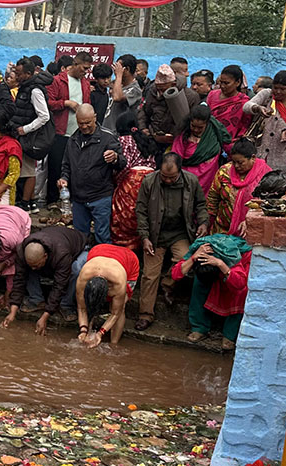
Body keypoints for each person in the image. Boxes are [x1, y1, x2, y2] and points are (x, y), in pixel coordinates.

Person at [135, 152, 209, 331]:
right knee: (149, 274)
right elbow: (141, 211)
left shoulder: (191, 181)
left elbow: (201, 205)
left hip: (179, 233)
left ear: (180, 171)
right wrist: (144, 237)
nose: (168, 180)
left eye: (172, 177)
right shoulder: (149, 182)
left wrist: (204, 223)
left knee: (185, 260)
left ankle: (168, 284)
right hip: (155, 234)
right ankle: (145, 314)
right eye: (164, 177)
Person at [171, 234, 252, 350]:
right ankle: (199, 327)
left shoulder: (232, 256)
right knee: (199, 284)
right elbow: (175, 274)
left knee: (241, 292)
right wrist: (193, 258)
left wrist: (221, 264)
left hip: (232, 268)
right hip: (210, 268)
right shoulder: (199, 248)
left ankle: (229, 335)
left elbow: (240, 283)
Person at [59, 104, 125, 244]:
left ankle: (103, 261)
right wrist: (64, 178)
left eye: (88, 122)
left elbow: (123, 163)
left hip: (101, 196)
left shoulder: (107, 137)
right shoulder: (73, 140)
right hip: (78, 198)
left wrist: (115, 157)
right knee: (80, 237)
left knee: (103, 236)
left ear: (95, 118)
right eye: (80, 123)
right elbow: (66, 165)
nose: (84, 126)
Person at [4, 226, 89, 332]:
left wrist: (45, 316)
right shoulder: (22, 251)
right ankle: (37, 300)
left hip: (79, 249)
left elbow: (60, 285)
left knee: (76, 270)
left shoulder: (61, 254)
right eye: (32, 265)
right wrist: (13, 312)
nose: (33, 268)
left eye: (36, 265)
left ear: (45, 256)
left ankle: (66, 305)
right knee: (29, 269)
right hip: (54, 246)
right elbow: (19, 279)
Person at [45, 52, 92, 208]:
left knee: (76, 166)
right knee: (56, 165)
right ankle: (52, 199)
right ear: (75, 64)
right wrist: (66, 103)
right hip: (60, 130)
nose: (85, 71)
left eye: (88, 68)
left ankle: (72, 199)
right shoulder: (58, 81)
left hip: (79, 131)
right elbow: (50, 103)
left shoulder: (85, 83)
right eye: (84, 68)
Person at [110, 112, 160, 252]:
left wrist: (117, 183)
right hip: (150, 180)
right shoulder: (146, 140)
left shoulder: (124, 141)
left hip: (131, 182)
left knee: (126, 218)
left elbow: (124, 166)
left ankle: (127, 251)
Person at [75, 243, 140, 348]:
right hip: (99, 250)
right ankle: (88, 335)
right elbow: (81, 308)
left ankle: (114, 344)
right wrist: (83, 330)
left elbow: (115, 313)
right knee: (90, 303)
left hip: (128, 258)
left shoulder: (118, 282)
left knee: (121, 307)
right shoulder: (83, 277)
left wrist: (100, 333)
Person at [8, 57, 51, 212]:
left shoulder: (34, 90)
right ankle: (31, 201)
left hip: (28, 136)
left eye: (18, 73)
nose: (16, 76)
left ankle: (25, 203)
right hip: (23, 134)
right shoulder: (26, 87)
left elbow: (44, 116)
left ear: (27, 73)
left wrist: (25, 129)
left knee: (28, 171)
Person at [243, 70, 286, 172]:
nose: (278, 92)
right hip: (259, 151)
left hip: (280, 156)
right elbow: (246, 107)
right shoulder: (266, 95)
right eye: (275, 88)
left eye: (283, 89)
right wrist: (257, 108)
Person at [206, 138, 271, 236]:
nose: (236, 166)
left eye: (240, 162)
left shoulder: (266, 175)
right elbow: (212, 199)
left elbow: (270, 204)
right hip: (222, 230)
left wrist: (252, 219)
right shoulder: (224, 172)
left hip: (251, 232)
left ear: (253, 158)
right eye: (234, 162)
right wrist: (207, 222)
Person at [171, 104, 231, 194]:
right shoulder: (183, 136)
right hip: (187, 179)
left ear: (207, 123)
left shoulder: (215, 132)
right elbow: (175, 156)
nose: (195, 130)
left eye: (200, 127)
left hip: (208, 180)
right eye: (193, 126)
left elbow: (229, 147)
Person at [139, 64, 199, 148]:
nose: (160, 93)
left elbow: (193, 122)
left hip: (178, 142)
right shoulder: (152, 92)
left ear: (173, 84)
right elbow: (144, 112)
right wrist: (143, 128)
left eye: (163, 89)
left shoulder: (190, 97)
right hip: (153, 139)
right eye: (158, 89)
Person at [207, 65, 251, 153]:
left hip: (230, 145)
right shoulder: (212, 95)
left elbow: (245, 125)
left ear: (237, 82)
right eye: (221, 82)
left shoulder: (243, 102)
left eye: (226, 83)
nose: (222, 86)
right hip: (209, 140)